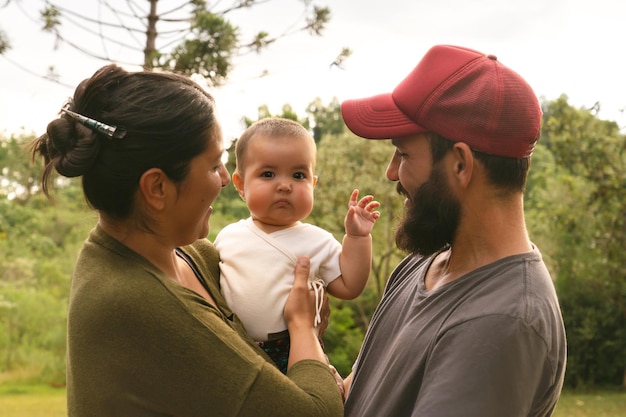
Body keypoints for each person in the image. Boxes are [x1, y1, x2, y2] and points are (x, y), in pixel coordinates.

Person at [30, 64, 343, 416]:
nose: (226, 179)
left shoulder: (197, 258)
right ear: (157, 188)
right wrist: (303, 327)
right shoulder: (136, 301)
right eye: (214, 165)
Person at [338, 44, 567, 416]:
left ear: (460, 164)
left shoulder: (500, 321)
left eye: (404, 154)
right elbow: (359, 395)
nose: (391, 173)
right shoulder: (423, 264)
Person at [215, 117, 381, 373]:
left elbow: (350, 286)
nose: (284, 185)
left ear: (312, 183)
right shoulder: (228, 236)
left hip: (292, 348)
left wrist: (358, 238)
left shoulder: (317, 240)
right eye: (268, 174)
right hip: (232, 346)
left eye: (298, 175)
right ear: (240, 185)